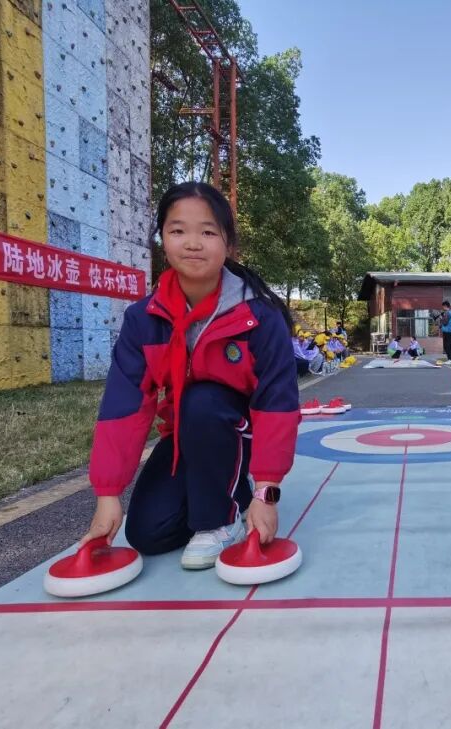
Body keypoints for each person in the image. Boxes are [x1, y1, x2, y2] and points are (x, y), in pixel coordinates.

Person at [80, 181, 300, 570]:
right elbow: (124, 405)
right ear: (162, 238)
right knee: (149, 533)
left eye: (208, 232)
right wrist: (108, 494)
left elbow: (277, 406)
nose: (192, 243)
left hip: (240, 432)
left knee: (203, 400)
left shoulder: (260, 317)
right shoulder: (142, 320)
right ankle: (221, 493)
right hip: (188, 434)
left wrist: (266, 492)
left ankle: (220, 519)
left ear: (228, 243)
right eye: (178, 230)